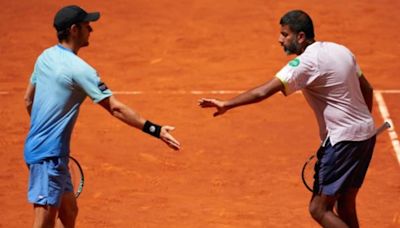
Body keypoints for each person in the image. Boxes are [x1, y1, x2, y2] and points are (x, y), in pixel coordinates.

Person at [199, 10, 375, 228]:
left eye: (285, 35)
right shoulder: (341, 50)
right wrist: (362, 127)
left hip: (343, 141)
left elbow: (263, 91)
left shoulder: (306, 63)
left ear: (300, 37)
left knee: (318, 209)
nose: (280, 39)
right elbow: (367, 89)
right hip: (366, 135)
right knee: (346, 203)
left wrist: (227, 104)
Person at [23, 5, 181, 228]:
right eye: (88, 26)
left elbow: (28, 100)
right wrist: (155, 129)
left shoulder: (44, 57)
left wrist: (43, 134)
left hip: (48, 151)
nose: (92, 30)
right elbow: (115, 108)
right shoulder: (80, 69)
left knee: (69, 212)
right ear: (74, 29)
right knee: (44, 224)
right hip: (48, 157)